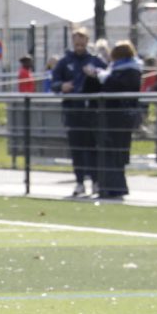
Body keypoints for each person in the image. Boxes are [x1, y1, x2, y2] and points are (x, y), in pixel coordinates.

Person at [49, 30, 104, 197]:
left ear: (87, 41)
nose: (79, 45)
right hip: (72, 110)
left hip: (92, 111)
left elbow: (106, 79)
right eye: (76, 42)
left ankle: (96, 181)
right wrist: (61, 86)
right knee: (76, 148)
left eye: (82, 42)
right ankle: (80, 182)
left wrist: (95, 75)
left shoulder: (95, 60)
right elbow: (53, 83)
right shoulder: (65, 62)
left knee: (93, 146)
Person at [95, 41, 142, 200]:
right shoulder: (121, 69)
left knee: (114, 152)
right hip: (118, 116)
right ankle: (112, 187)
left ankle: (114, 188)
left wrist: (101, 76)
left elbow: (117, 87)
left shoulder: (130, 70)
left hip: (119, 116)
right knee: (112, 152)